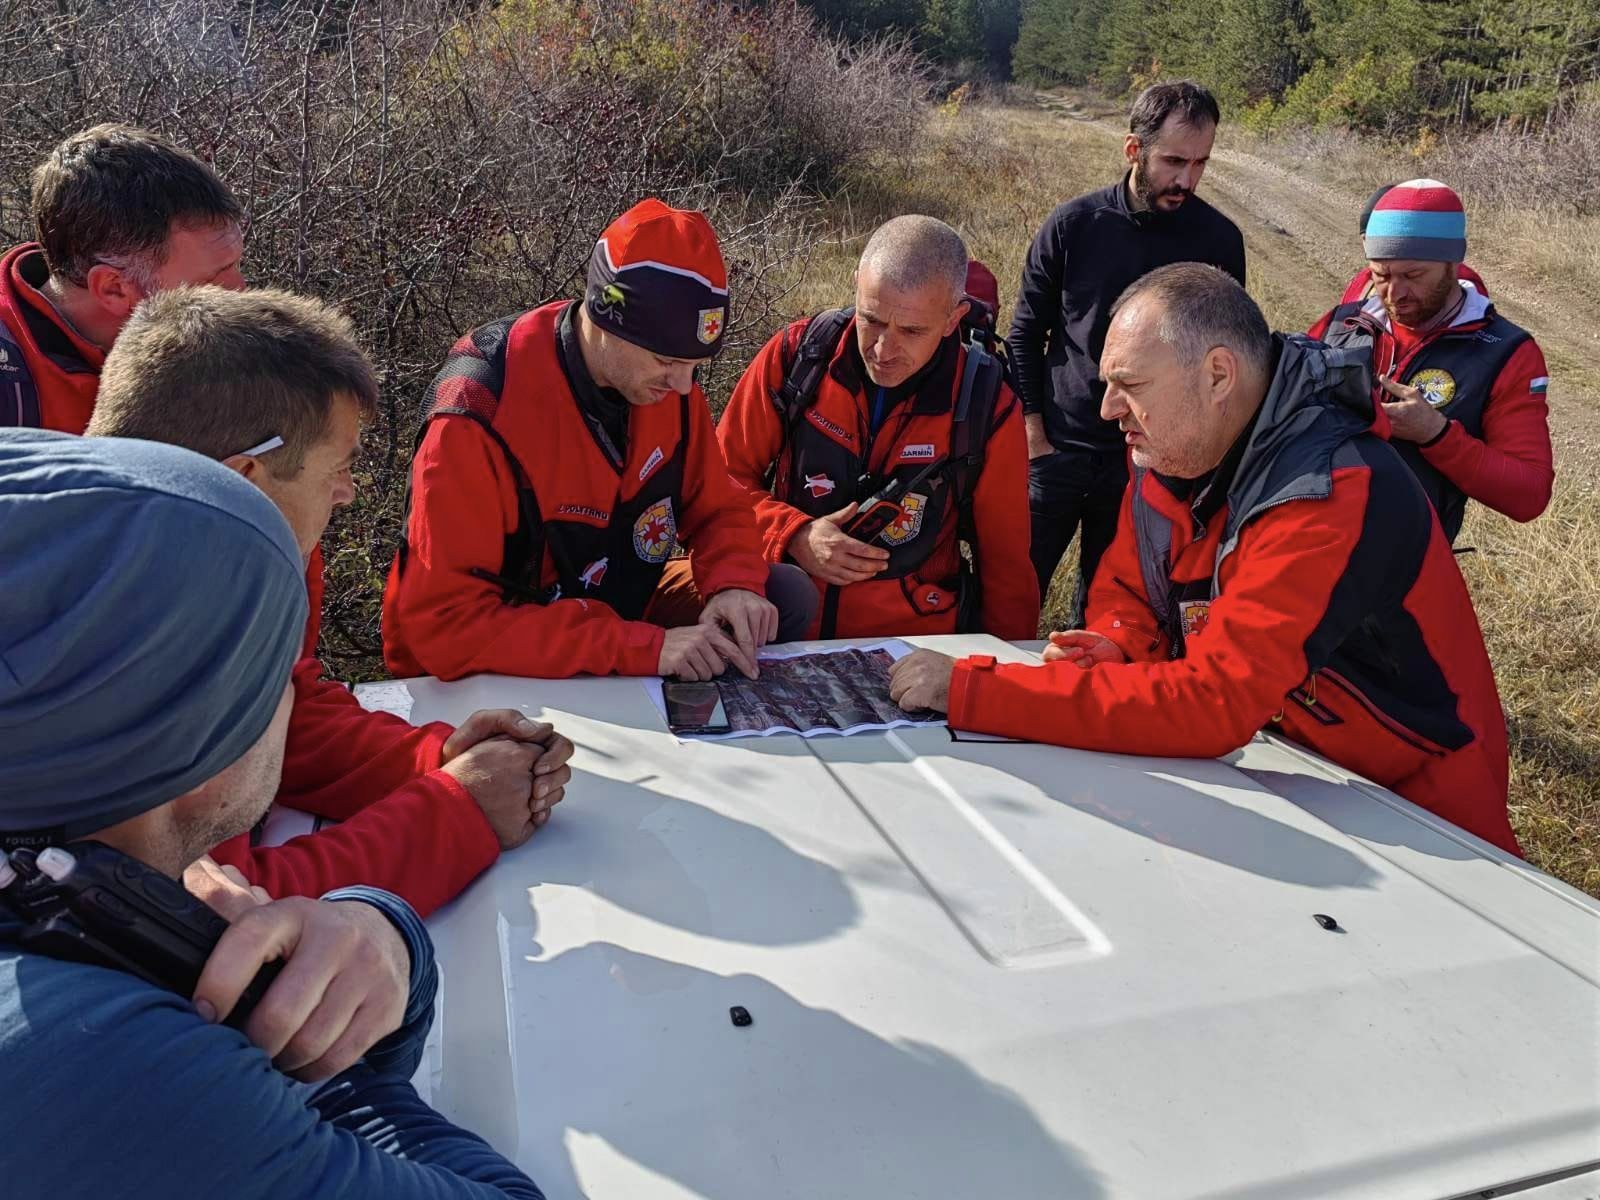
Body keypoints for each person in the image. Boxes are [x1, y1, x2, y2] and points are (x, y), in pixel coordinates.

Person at [0, 429, 543, 1198]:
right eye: (276, 675)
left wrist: (380, 937)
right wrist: (295, 1050)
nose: (300, 695)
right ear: (204, 741)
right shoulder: (121, 1066)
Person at [891, 264, 1518, 856]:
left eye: (1130, 386)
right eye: (1108, 384)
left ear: (1219, 376)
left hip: (1417, 810)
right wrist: (1117, 642)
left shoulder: (1329, 489)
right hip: (1279, 772)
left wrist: (975, 690)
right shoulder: (1176, 445)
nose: (1109, 410)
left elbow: (1213, 703)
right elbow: (1129, 591)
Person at [86, 287, 574, 917]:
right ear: (243, 481)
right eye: (336, 468)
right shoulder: (124, 645)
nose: (346, 493)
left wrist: (435, 758)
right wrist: (459, 811)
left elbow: (287, 712)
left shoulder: (178, 559)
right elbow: (221, 920)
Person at [384, 198, 815, 683]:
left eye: (696, 365)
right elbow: (445, 626)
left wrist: (734, 584)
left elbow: (717, 507)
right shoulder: (481, 409)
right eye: (668, 361)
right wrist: (642, 648)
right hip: (496, 646)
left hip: (612, 604)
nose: (684, 386)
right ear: (608, 317)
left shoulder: (665, 387)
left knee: (779, 598)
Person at [716, 216, 1038, 640]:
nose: (884, 349)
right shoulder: (798, 357)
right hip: (781, 633)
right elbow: (719, 485)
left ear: (952, 319)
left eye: (911, 330)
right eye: (872, 319)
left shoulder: (985, 404)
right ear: (856, 286)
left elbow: (1006, 566)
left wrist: (1001, 683)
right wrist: (792, 533)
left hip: (910, 650)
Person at [1009, 81, 1246, 625]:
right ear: (1133, 149)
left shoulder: (1219, 241)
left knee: (1110, 612)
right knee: (1014, 590)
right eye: (1173, 161)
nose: (1186, 180)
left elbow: (1226, 358)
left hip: (1149, 463)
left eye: (1201, 163)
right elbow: (1025, 334)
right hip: (1060, 448)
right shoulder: (1073, 226)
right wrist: (1033, 433)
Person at [1310, 179, 1552, 542]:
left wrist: (1435, 435)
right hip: (1306, 545)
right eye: (1381, 275)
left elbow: (1529, 495)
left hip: (1407, 571)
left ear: (1453, 263)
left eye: (1413, 275)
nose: (1395, 294)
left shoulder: (1506, 353)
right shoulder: (1341, 323)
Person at [0, 124, 245, 433]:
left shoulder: (198, 344)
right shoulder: (13, 397)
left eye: (235, 264)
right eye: (213, 279)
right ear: (113, 289)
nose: (240, 289)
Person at [1338, 182, 1489, 304]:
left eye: (1412, 275)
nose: (1393, 296)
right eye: (1364, 239)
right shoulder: (1363, 280)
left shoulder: (1461, 286)